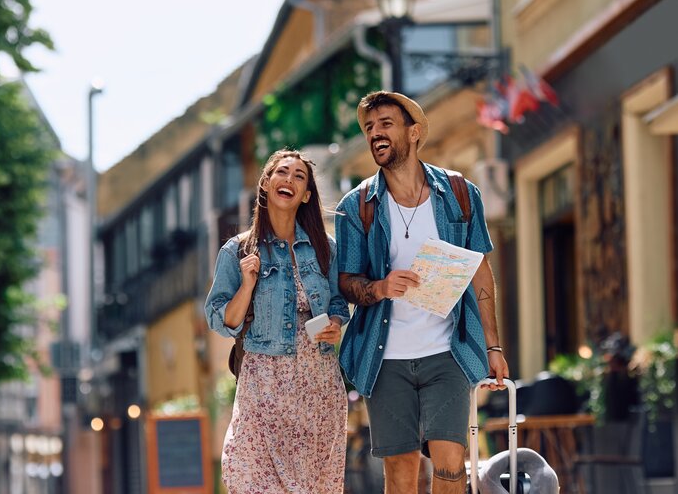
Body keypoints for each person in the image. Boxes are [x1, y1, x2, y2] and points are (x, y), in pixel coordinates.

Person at [335, 91, 510, 493]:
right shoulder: (357, 205)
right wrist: (379, 287)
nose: (375, 134)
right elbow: (345, 281)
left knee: (451, 464)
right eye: (369, 128)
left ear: (413, 133)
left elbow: (480, 271)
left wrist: (494, 348)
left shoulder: (460, 194)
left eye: (386, 125)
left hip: (447, 351)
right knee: (401, 472)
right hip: (385, 358)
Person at [205, 149, 349, 494]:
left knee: (314, 485)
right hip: (265, 383)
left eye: (299, 176)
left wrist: (335, 322)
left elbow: (339, 301)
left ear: (307, 195)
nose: (290, 180)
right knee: (249, 476)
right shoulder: (238, 251)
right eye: (282, 173)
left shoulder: (324, 248)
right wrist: (248, 284)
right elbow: (220, 319)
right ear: (266, 184)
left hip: (318, 385)